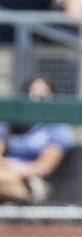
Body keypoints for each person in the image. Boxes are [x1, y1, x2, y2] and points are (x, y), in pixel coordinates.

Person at [0, 76, 73, 205]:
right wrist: (9, 168)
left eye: (43, 91)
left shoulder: (57, 127)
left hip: (33, 182)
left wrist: (18, 169)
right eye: (33, 90)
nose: (37, 95)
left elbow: (44, 167)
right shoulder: (10, 123)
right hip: (6, 174)